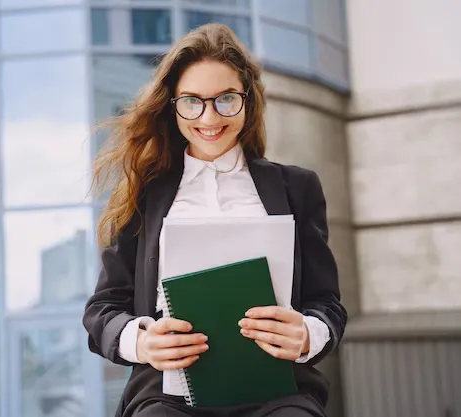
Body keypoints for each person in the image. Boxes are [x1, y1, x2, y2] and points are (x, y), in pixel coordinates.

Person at [83, 23, 348, 417]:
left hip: (277, 391)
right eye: (192, 101)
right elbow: (102, 309)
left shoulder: (297, 188)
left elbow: (326, 303)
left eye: (226, 99)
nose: (209, 116)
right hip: (168, 394)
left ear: (248, 101)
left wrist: (308, 333)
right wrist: (141, 342)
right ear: (172, 106)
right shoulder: (144, 194)